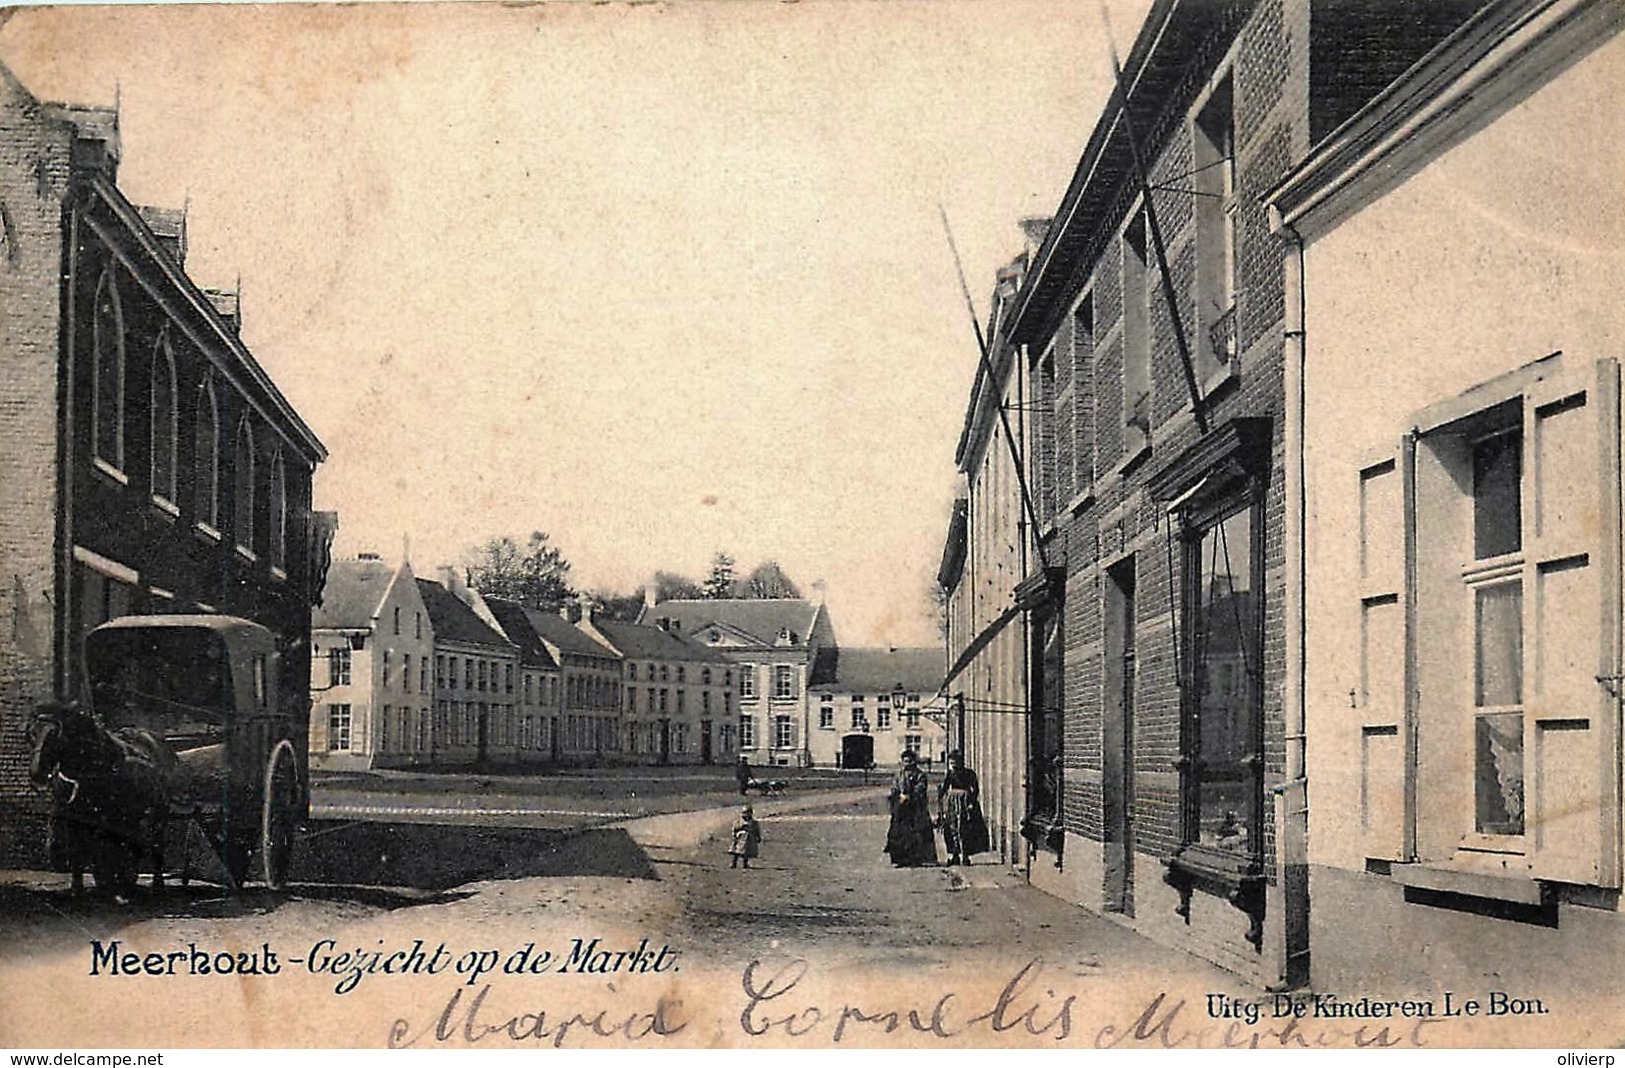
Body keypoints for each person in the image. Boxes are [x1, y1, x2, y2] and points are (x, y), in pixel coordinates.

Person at [884, 749, 938, 867]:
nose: (907, 764)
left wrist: (910, 796)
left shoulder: (920, 775)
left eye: (910, 761)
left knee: (917, 833)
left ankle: (917, 859)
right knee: (898, 833)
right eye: (905, 761)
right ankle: (899, 859)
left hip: (915, 808)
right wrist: (896, 796)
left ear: (914, 762)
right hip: (901, 808)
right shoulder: (899, 774)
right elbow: (894, 787)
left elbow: (921, 789)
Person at [937, 750, 990, 865]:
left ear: (961, 761)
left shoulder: (969, 773)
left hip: (965, 803)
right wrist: (942, 803)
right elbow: (944, 789)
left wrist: (971, 803)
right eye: (951, 762)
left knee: (965, 829)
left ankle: (965, 856)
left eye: (955, 761)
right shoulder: (950, 774)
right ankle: (955, 855)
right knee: (952, 829)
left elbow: (975, 789)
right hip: (952, 804)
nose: (953, 764)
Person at [730, 804, 762, 869]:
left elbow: (757, 830)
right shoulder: (739, 821)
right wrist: (740, 828)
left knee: (747, 852)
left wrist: (758, 837)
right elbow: (735, 828)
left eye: (748, 813)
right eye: (745, 813)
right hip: (740, 837)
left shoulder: (754, 822)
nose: (747, 815)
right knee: (737, 851)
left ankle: (745, 863)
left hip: (749, 838)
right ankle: (734, 863)